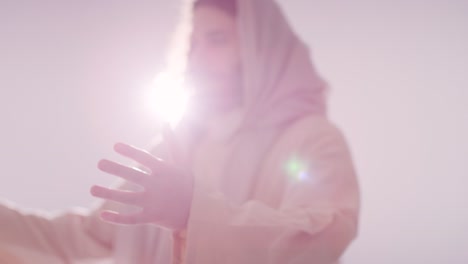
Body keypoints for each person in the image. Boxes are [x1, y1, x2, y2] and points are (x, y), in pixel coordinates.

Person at [0, 0, 360, 263]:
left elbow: (320, 237)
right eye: (192, 44)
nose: (197, 58)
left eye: (217, 39)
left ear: (261, 51)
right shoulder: (174, 149)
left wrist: (192, 211)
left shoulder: (310, 138)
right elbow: (85, 239)